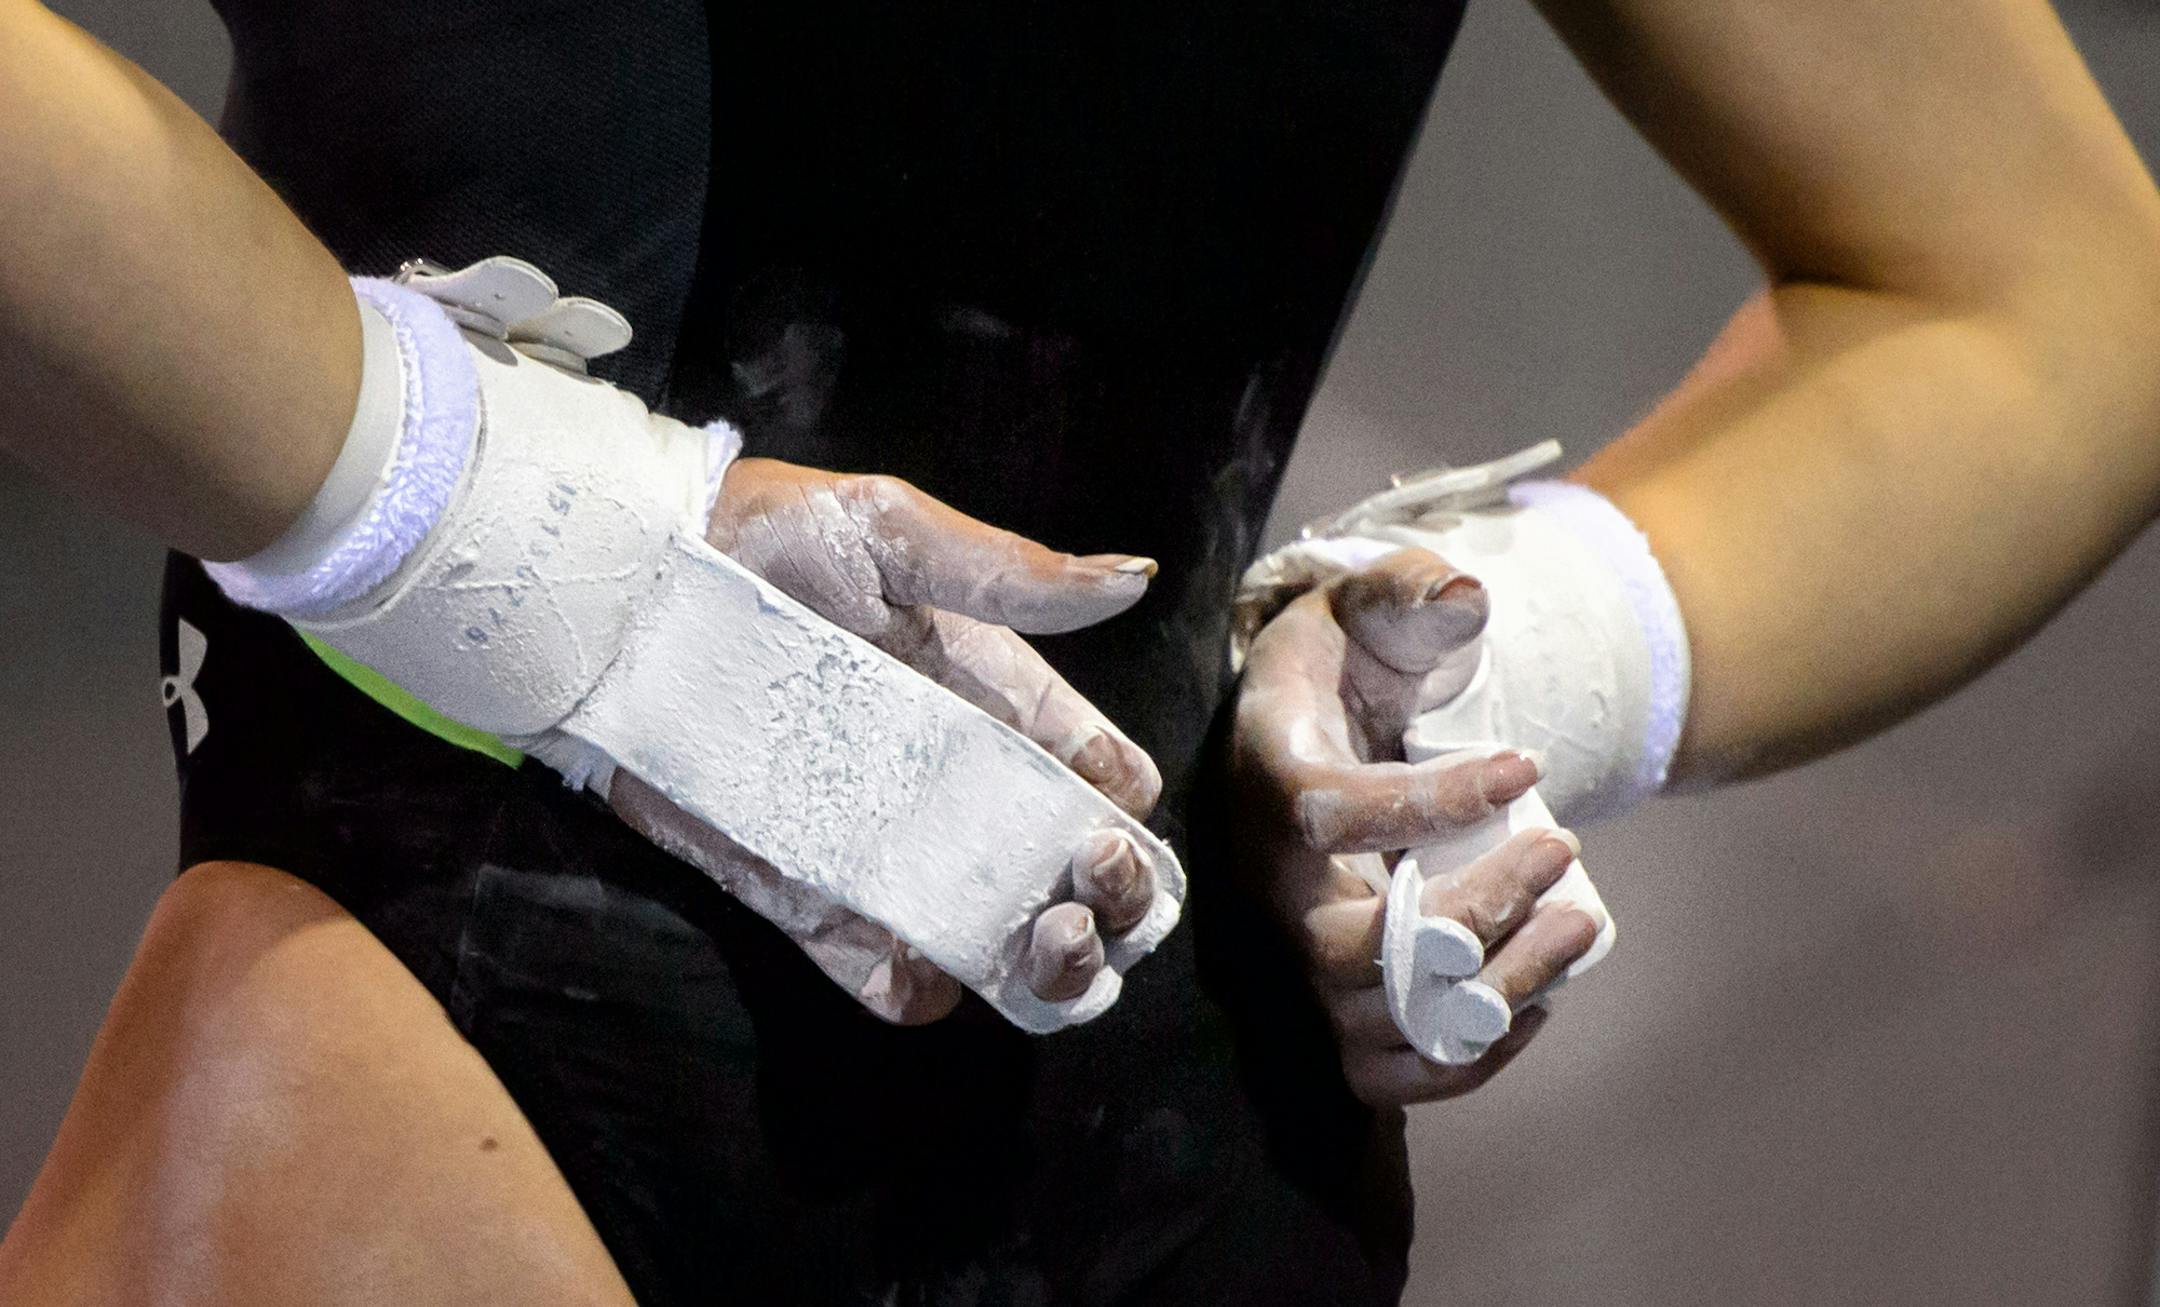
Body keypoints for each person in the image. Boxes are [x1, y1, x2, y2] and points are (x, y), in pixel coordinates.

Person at [0, 5, 2153, 1307]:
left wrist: (1470, 695)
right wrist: (508, 532)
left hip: (1195, 1157)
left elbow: (2048, 296)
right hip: (444, 1079)